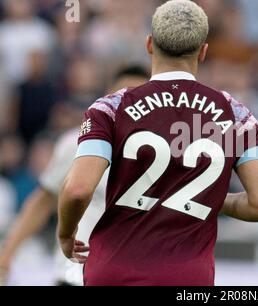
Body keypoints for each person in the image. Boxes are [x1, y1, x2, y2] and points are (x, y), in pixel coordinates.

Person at [58, 0, 258, 286]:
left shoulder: (109, 108)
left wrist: (66, 233)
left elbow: (77, 190)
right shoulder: (234, 113)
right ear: (203, 52)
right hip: (187, 277)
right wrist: (203, 197)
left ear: (149, 44)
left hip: (112, 271)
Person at [0, 66, 149, 286]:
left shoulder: (164, 154)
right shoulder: (77, 143)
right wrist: (7, 254)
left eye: (138, 96)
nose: (131, 104)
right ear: (109, 95)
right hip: (76, 273)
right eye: (123, 94)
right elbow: (43, 201)